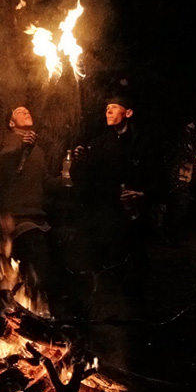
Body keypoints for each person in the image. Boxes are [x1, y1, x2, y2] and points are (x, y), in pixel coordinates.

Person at [72, 95, 168, 296]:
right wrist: (79, 162)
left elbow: (159, 177)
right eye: (107, 108)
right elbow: (84, 179)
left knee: (134, 264)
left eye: (114, 107)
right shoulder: (98, 144)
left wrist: (141, 193)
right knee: (106, 264)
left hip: (133, 216)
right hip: (105, 215)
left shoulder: (143, 143)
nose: (108, 111)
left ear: (128, 113)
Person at [0, 106, 61, 305]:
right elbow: (5, 164)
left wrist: (71, 174)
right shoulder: (10, 141)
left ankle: (35, 311)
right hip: (18, 217)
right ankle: (28, 311)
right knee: (35, 270)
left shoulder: (38, 150)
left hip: (38, 218)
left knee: (43, 271)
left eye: (27, 110)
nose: (26, 112)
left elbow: (46, 182)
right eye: (19, 112)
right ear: (11, 123)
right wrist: (22, 148)